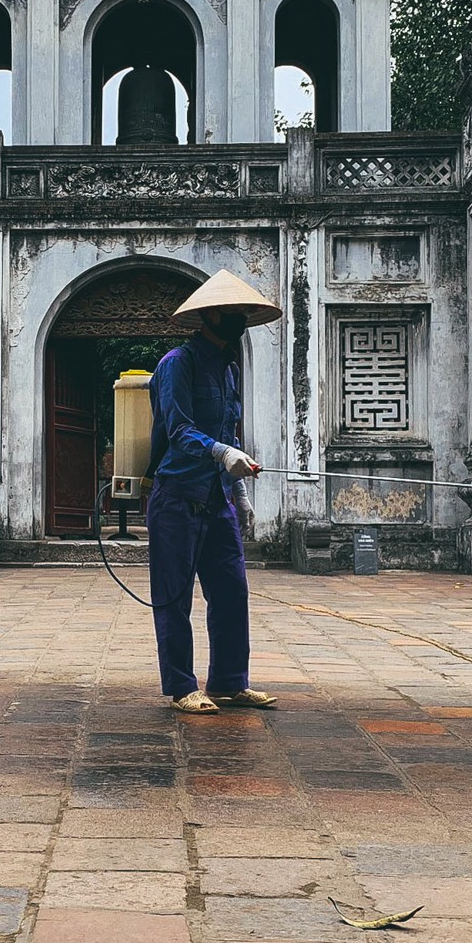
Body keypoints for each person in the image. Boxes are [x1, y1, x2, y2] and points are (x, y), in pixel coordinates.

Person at [146, 269, 282, 715]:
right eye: (233, 311)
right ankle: (183, 687)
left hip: (217, 498)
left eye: (244, 312)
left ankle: (228, 681)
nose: (240, 318)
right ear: (209, 315)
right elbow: (180, 429)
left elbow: (229, 431)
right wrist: (222, 453)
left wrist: (239, 493)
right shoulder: (176, 364)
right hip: (176, 497)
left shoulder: (228, 369)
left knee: (231, 590)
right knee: (174, 596)